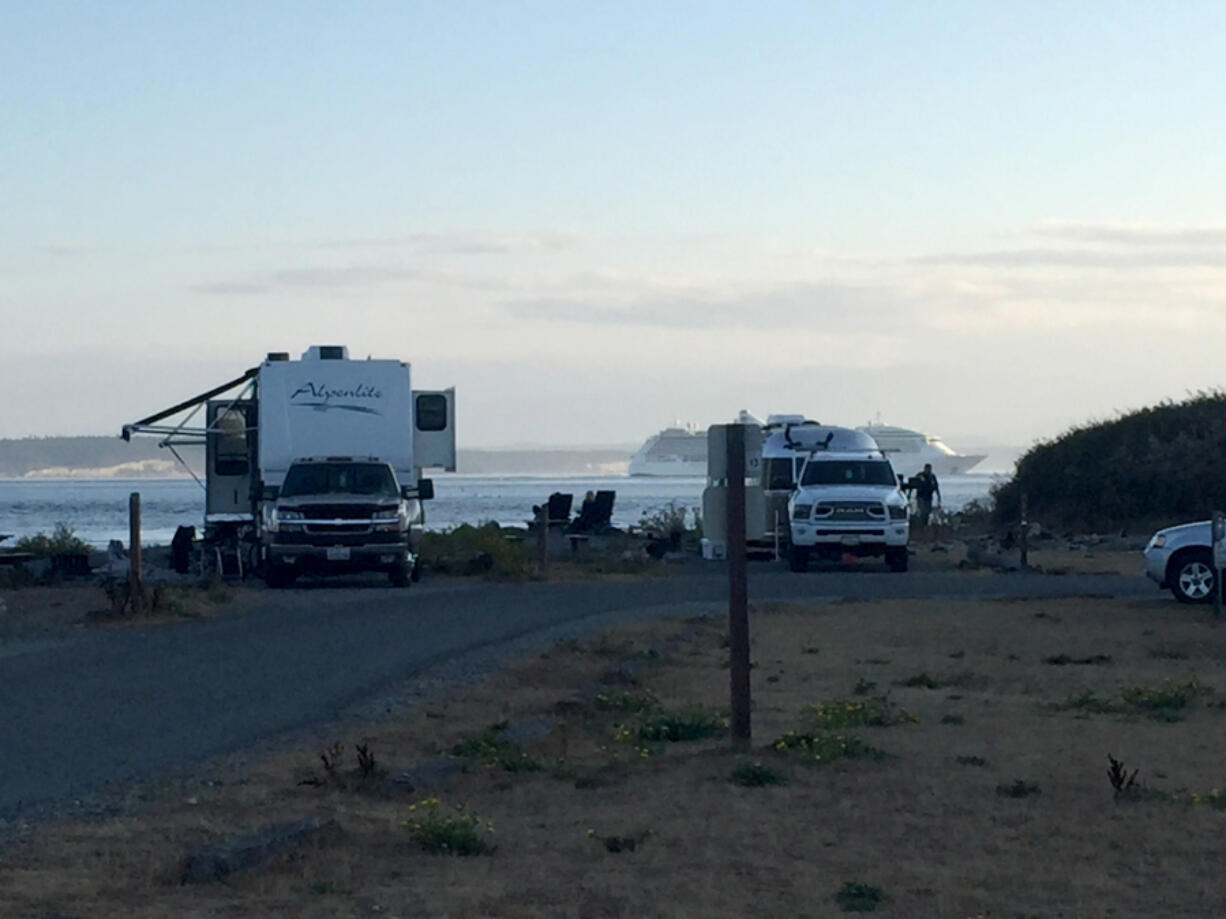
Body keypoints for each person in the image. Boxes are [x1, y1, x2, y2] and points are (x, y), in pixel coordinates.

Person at [911, 463, 940, 527]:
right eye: (927, 469)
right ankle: (921, 525)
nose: (929, 470)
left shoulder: (932, 476)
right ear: (925, 469)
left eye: (930, 469)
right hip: (921, 497)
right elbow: (913, 484)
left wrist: (938, 496)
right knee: (922, 511)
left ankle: (925, 524)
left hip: (929, 497)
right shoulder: (920, 475)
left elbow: (936, 486)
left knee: (928, 512)